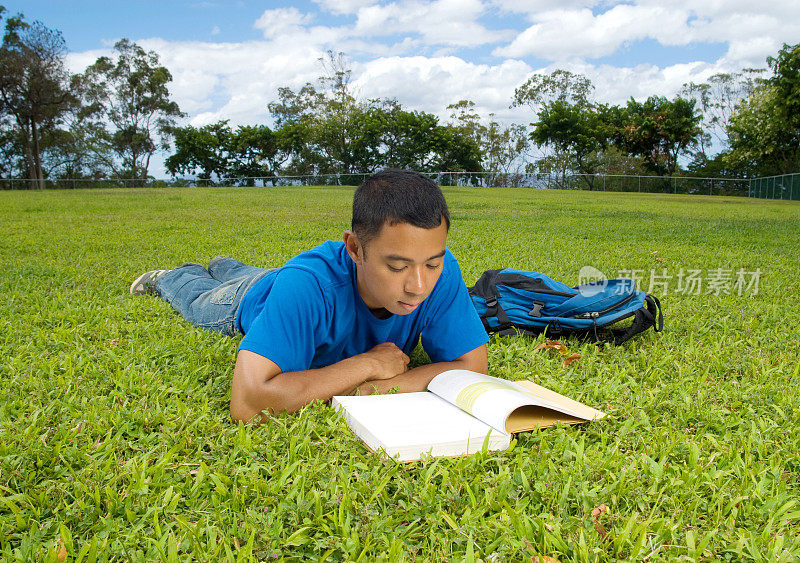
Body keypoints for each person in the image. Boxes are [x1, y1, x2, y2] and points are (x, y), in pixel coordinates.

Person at [130, 169, 489, 422]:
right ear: (354, 248)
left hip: (277, 280)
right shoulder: (306, 285)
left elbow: (472, 366)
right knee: (199, 298)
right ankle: (171, 277)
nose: (418, 286)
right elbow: (248, 403)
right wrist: (366, 365)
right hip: (250, 299)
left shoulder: (440, 272)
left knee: (245, 272)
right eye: (397, 267)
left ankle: (225, 263)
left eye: (431, 264)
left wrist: (375, 390)